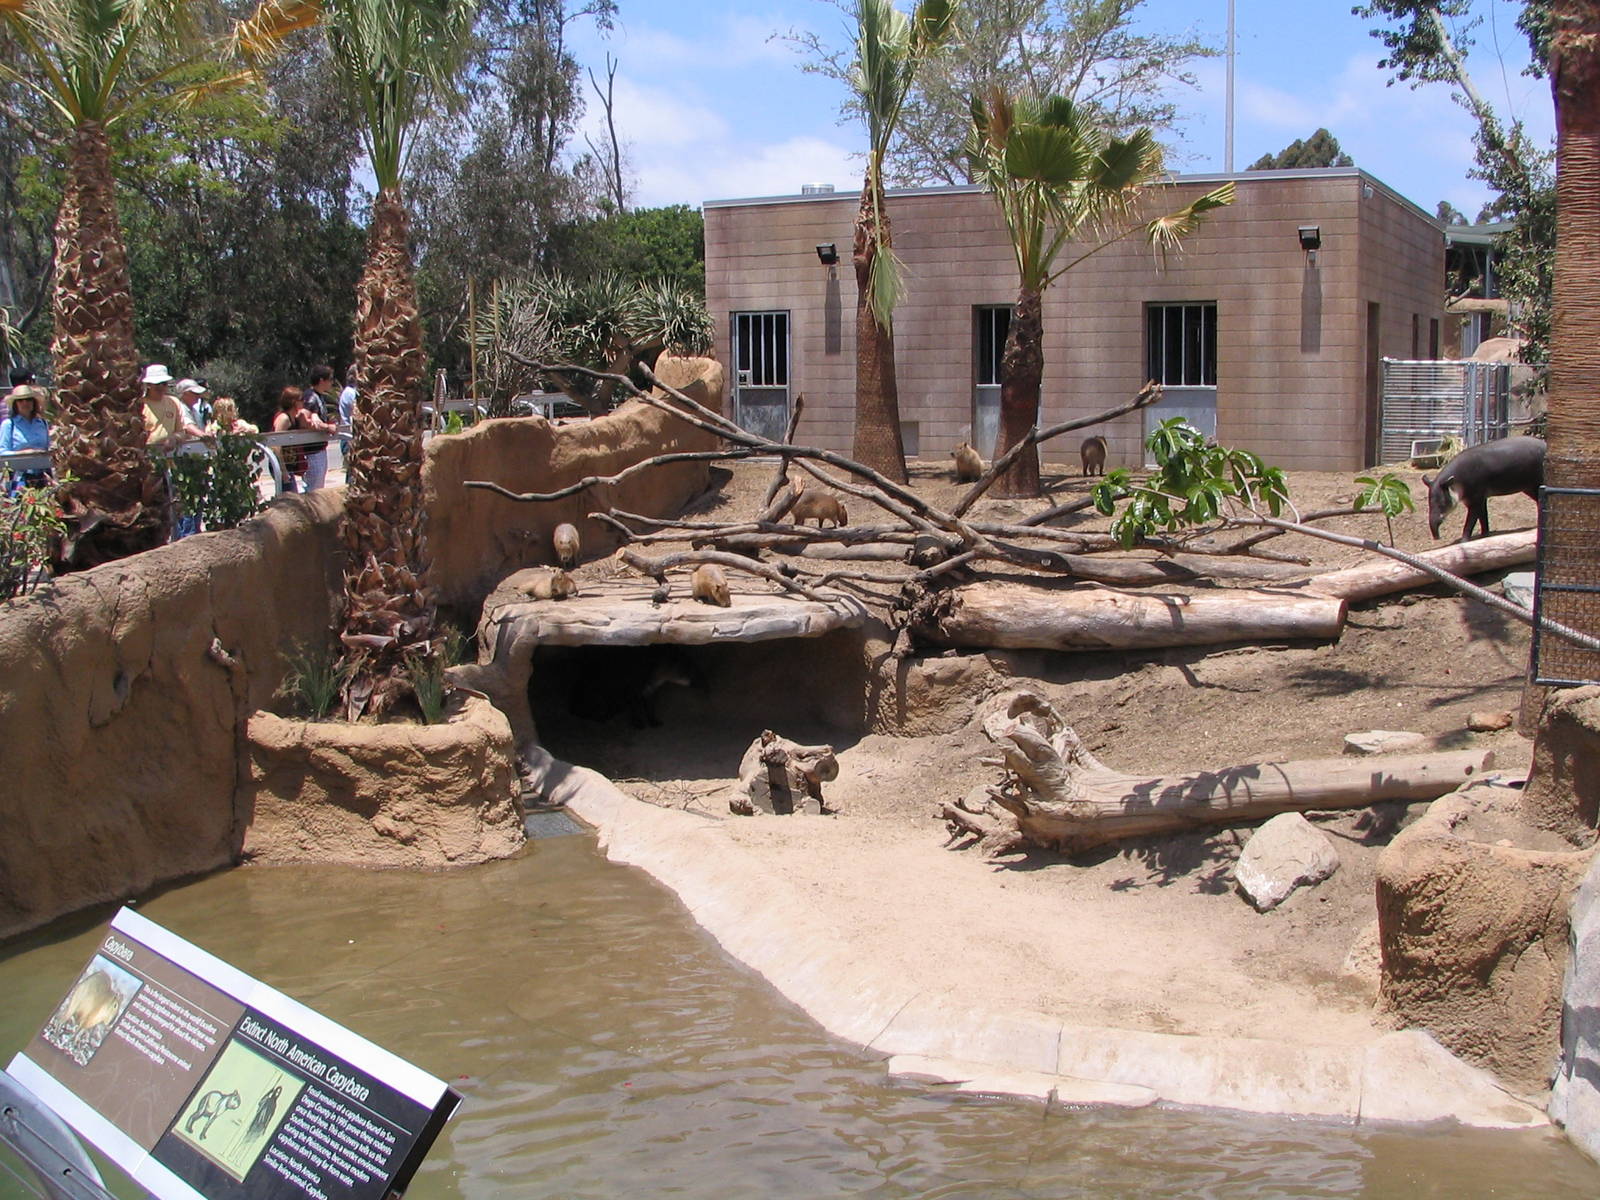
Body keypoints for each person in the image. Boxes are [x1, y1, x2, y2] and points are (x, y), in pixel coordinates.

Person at [141, 364, 206, 451]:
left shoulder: (174, 402)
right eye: (157, 384)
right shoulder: (140, 404)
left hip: (170, 454)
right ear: (149, 385)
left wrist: (174, 438)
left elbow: (182, 432)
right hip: (146, 453)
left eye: (164, 384)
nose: (161, 387)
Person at [0, 384, 52, 491]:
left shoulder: (43, 423)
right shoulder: (9, 425)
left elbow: (48, 448)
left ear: (34, 402)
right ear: (15, 404)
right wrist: (24, 453)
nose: (25, 403)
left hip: (43, 477)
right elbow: (2, 452)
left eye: (28, 399)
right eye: (20, 400)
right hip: (19, 478)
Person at [301, 364, 337, 490]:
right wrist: (327, 427)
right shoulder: (311, 396)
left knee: (318, 486)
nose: (332, 383)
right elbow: (304, 419)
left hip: (319, 449)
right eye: (330, 379)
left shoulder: (318, 396)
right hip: (312, 452)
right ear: (322, 380)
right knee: (313, 489)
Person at [337, 367, 357, 460]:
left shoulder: (351, 391)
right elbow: (357, 412)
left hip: (350, 436)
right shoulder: (350, 393)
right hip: (349, 437)